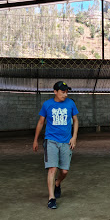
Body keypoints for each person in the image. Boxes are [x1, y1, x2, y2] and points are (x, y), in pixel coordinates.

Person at [33, 81, 79, 209]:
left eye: (66, 92)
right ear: (55, 92)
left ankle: (57, 183)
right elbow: (41, 123)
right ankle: (51, 198)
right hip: (51, 140)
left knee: (64, 171)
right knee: (52, 169)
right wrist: (35, 140)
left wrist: (74, 137)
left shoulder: (71, 103)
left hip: (66, 141)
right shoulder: (47, 104)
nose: (65, 94)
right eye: (62, 92)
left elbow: (75, 121)